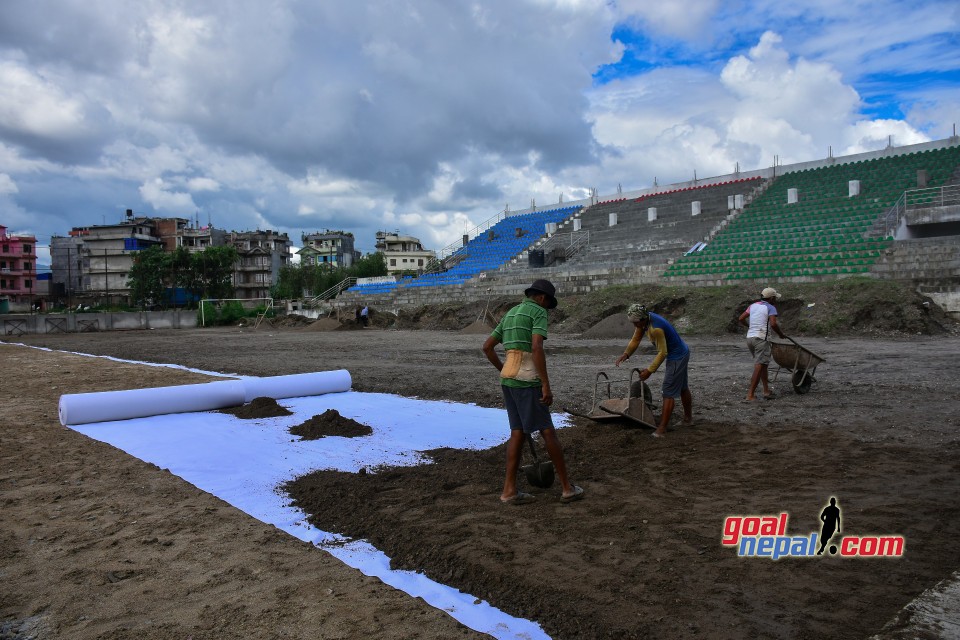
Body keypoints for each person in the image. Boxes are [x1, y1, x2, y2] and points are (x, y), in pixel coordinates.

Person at [482, 279, 583, 505]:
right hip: (528, 381)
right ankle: (567, 488)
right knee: (547, 430)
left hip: (508, 381)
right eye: (547, 304)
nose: (546, 308)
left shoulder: (511, 313)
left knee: (517, 432)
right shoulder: (538, 312)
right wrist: (545, 384)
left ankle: (509, 491)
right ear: (541, 298)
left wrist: (505, 369)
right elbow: (537, 347)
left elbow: (487, 347)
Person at [615, 304, 693, 438]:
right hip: (682, 352)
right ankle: (688, 419)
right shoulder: (645, 321)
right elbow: (636, 338)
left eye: (636, 323)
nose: (635, 326)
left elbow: (663, 352)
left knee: (668, 391)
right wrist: (626, 354)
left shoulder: (656, 328)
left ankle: (662, 429)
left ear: (643, 319)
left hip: (677, 356)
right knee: (682, 387)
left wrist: (649, 371)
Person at [738, 287, 788, 401]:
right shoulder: (771, 307)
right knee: (759, 366)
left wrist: (749, 326)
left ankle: (766, 391)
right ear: (771, 298)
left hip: (750, 338)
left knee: (763, 365)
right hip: (761, 339)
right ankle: (750, 395)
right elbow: (774, 324)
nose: (776, 300)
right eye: (775, 298)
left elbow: (741, 318)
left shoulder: (753, 305)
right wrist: (780, 334)